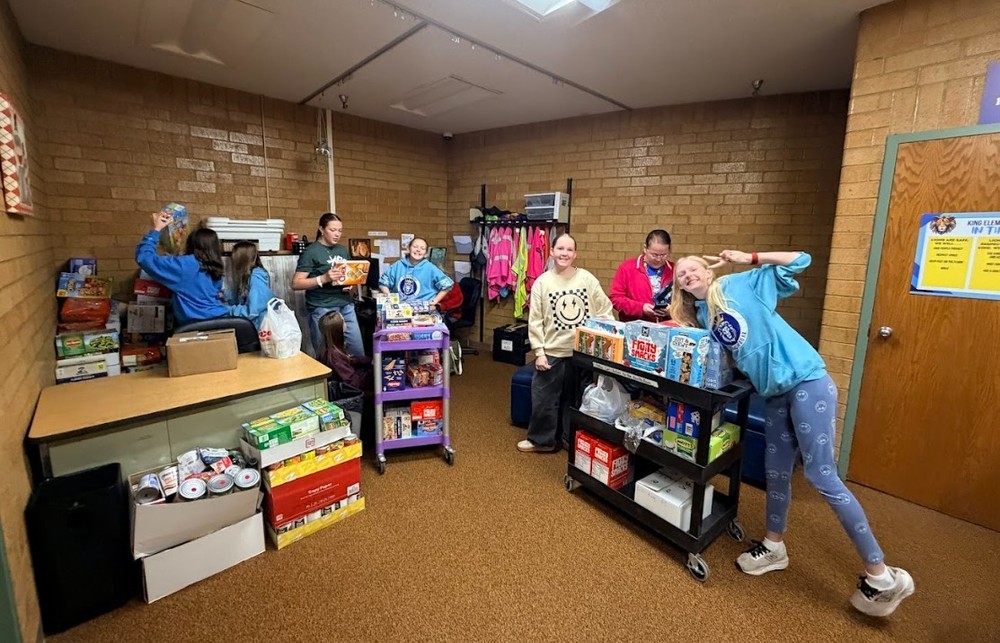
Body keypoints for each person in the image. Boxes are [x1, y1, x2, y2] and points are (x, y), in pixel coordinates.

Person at [668, 249, 914, 618]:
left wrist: (750, 257)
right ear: (680, 286)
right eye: (680, 274)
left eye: (692, 268)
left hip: (806, 382)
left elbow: (800, 260)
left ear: (708, 271)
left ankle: (881, 575)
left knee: (821, 475)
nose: (687, 274)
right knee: (776, 473)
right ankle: (774, 547)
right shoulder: (704, 314)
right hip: (773, 394)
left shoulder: (739, 284)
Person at [517, 233, 613, 453]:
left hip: (582, 353)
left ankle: (571, 440)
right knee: (543, 398)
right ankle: (541, 441)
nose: (564, 253)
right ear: (551, 251)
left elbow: (605, 309)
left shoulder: (587, 279)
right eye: (560, 249)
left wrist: (603, 341)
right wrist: (539, 352)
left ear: (575, 254)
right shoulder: (542, 282)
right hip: (552, 352)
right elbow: (535, 320)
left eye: (569, 250)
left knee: (577, 399)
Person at [135, 213, 228, 326]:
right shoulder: (217, 266)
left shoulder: (185, 264)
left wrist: (156, 229)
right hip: (221, 319)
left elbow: (144, 258)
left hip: (196, 325)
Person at [292, 212, 364, 357]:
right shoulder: (311, 252)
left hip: (345, 304)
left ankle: (356, 372)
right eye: (333, 230)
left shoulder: (342, 250)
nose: (337, 234)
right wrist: (324, 278)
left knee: (357, 350)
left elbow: (348, 275)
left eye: (340, 231)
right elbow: (296, 283)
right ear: (321, 229)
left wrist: (350, 283)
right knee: (326, 354)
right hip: (322, 307)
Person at [609, 229, 674, 322]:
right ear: (645, 248)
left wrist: (672, 310)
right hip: (634, 325)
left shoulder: (675, 270)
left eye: (664, 255)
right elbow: (615, 298)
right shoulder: (627, 268)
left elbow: (685, 302)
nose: (659, 259)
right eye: (654, 254)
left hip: (666, 326)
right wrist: (641, 308)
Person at [378, 237, 453, 306]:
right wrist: (390, 299)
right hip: (401, 309)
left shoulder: (430, 268)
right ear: (408, 249)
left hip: (423, 309)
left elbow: (447, 285)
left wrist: (434, 301)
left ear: (426, 254)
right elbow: (383, 283)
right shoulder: (398, 265)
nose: (418, 250)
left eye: (422, 248)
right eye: (415, 247)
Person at [317, 311, 373, 392]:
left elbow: (351, 359)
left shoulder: (329, 348)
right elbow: (355, 383)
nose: (345, 323)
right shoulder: (334, 358)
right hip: (349, 391)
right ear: (338, 328)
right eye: (343, 321)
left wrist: (370, 360)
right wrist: (375, 370)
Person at [226, 241, 276, 330]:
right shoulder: (248, 276)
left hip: (259, 328)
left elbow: (252, 312)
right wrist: (224, 295)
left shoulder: (256, 278)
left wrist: (227, 310)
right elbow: (240, 296)